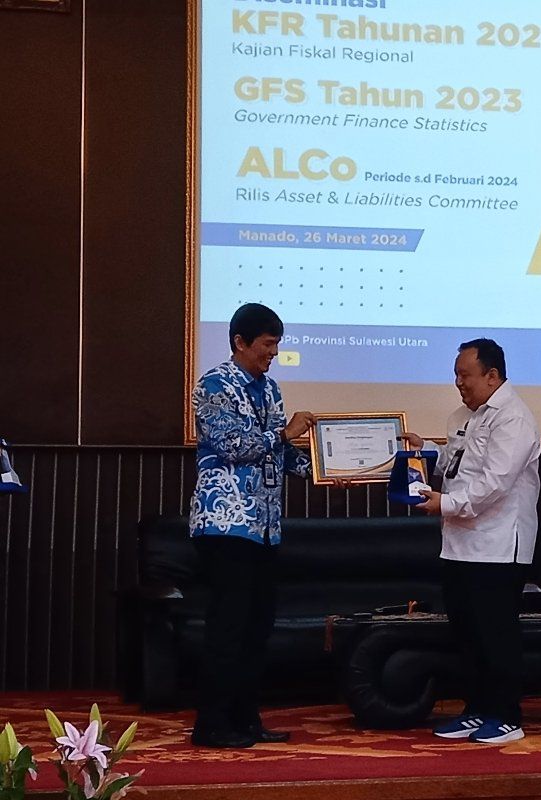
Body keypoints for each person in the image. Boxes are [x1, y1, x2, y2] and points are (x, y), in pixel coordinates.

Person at [402, 338, 541, 745]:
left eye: (466, 375)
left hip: (498, 545)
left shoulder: (513, 418)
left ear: (492, 375)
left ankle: (507, 716)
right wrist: (425, 451)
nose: (459, 383)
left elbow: (494, 483)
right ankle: (477, 709)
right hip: (460, 543)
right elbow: (454, 464)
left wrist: (444, 503)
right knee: (467, 632)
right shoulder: (465, 416)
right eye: (456, 375)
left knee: (496, 634)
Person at [189, 303, 315, 749]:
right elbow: (232, 445)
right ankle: (211, 725)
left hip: (264, 527)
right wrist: (284, 434)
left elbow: (278, 454)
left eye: (277, 345)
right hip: (225, 524)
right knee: (228, 629)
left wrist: (322, 469)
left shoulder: (271, 389)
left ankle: (245, 720)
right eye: (267, 344)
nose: (273, 353)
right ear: (240, 342)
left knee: (257, 629)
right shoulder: (213, 385)